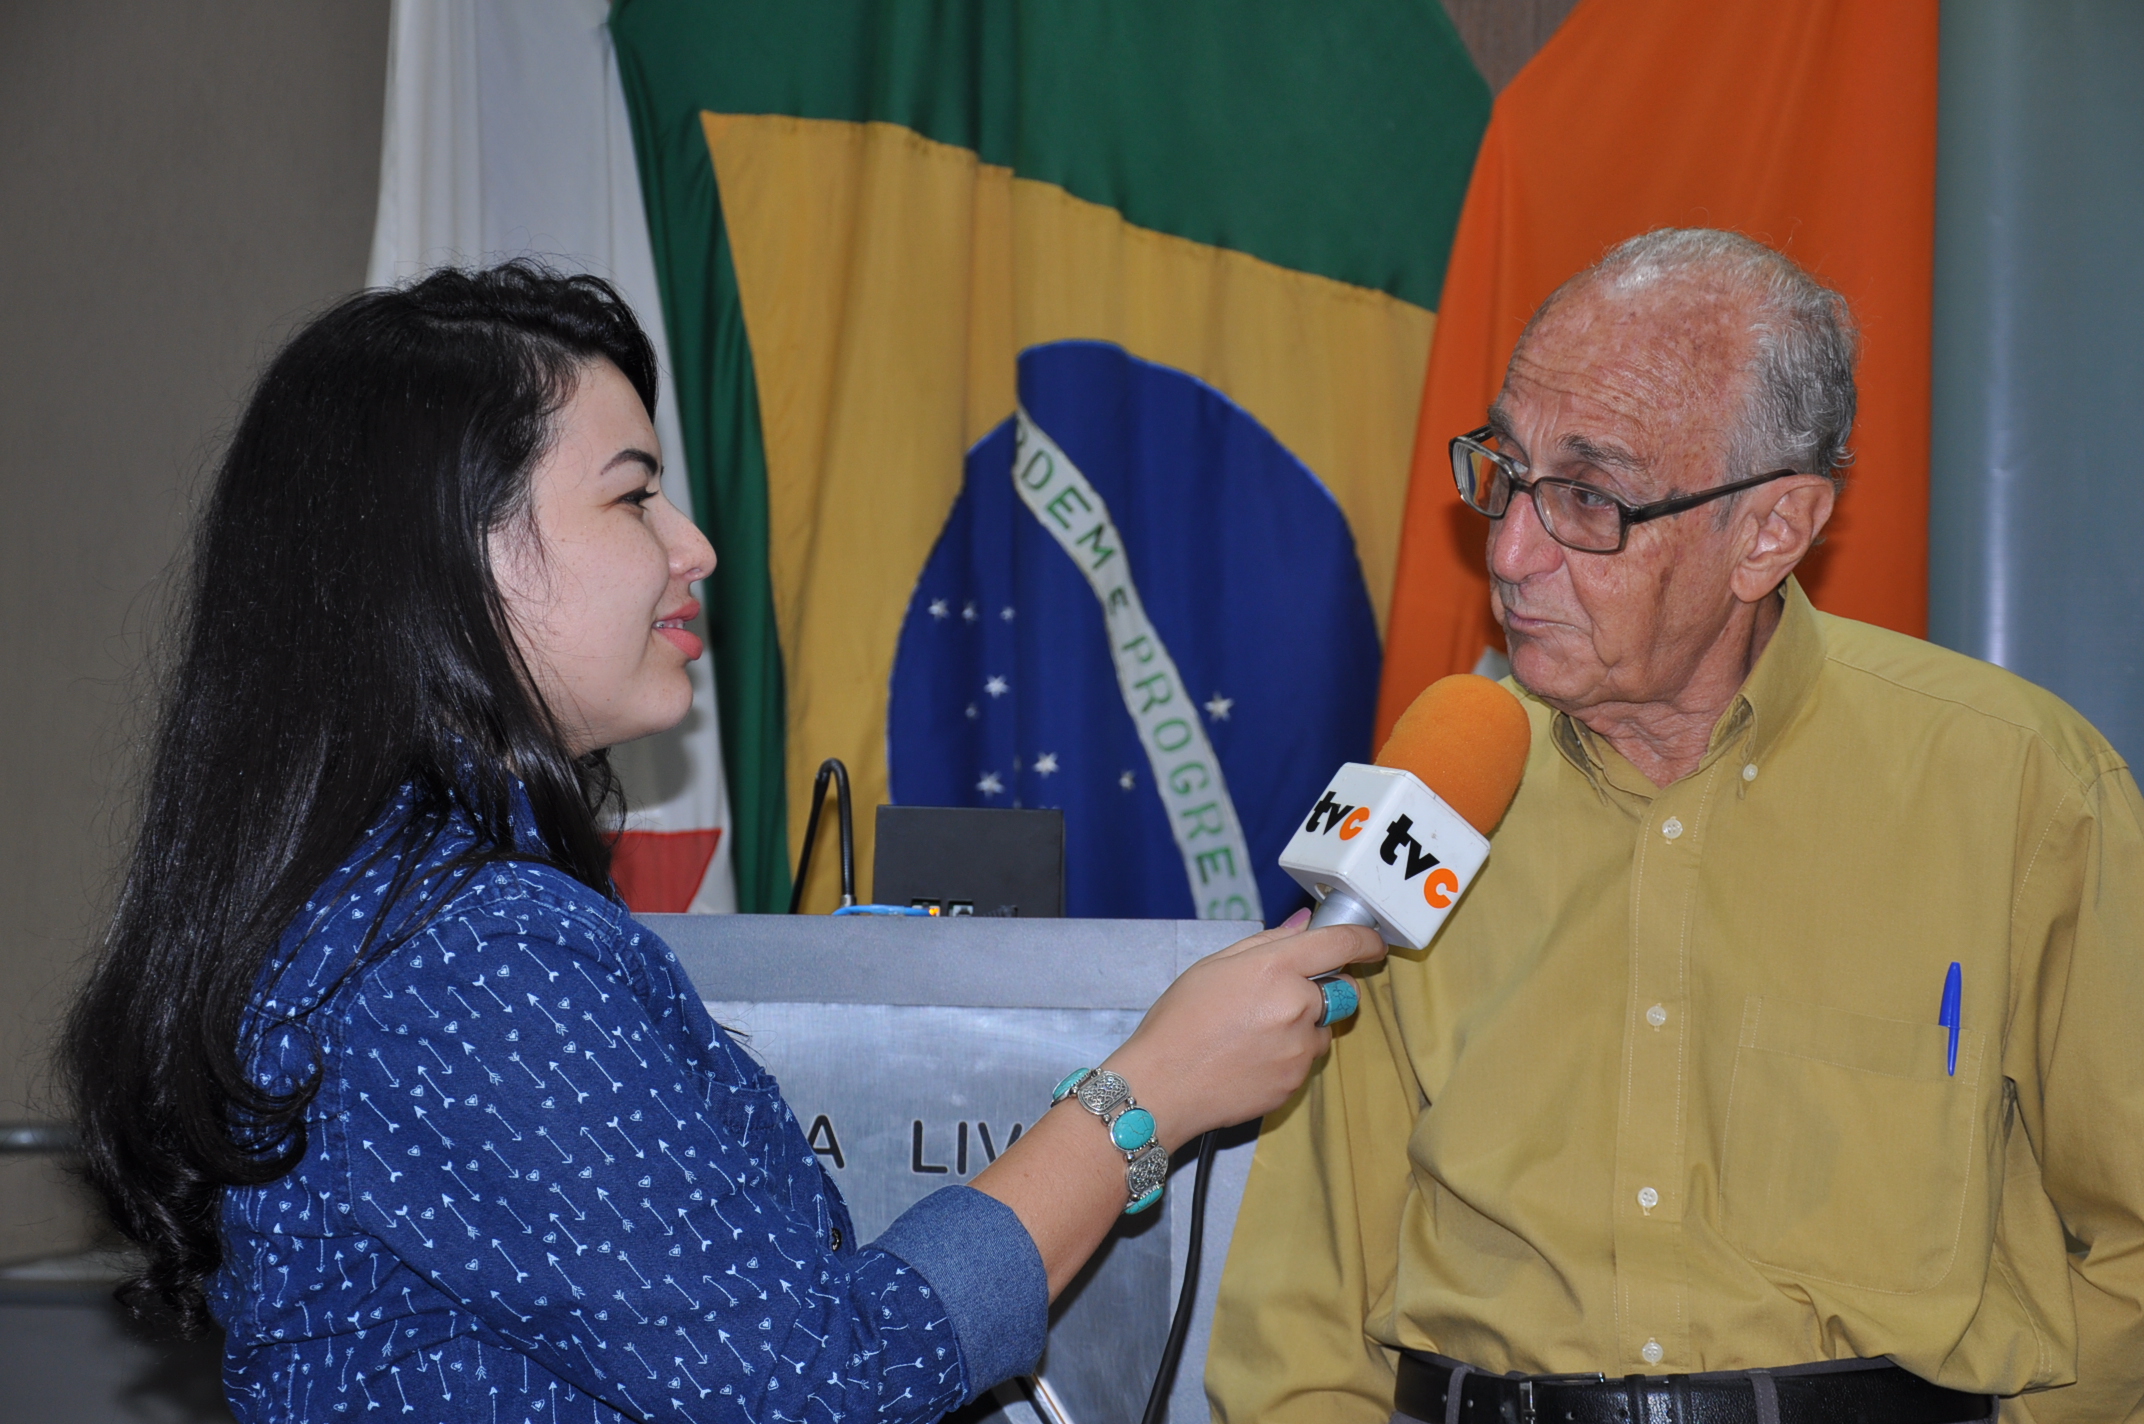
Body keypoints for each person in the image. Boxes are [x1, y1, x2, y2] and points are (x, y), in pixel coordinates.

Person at [60, 262, 1383, 1424]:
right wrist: (1146, 1093)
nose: (693, 546)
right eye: (632, 497)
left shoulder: (411, 903)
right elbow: (817, 1383)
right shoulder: (472, 952)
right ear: (456, 552)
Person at [1209, 230, 2144, 1424]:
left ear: (1770, 531)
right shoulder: (1436, 788)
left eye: (1587, 498)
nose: (1508, 552)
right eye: (1505, 469)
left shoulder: (2015, 784)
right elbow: (1299, 1306)